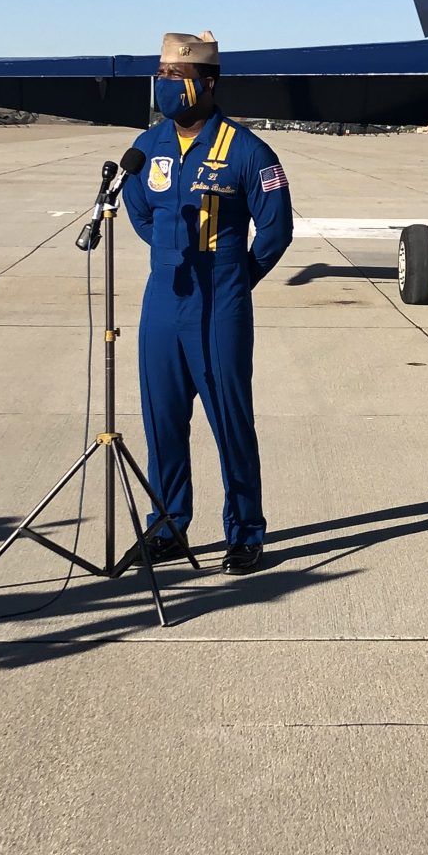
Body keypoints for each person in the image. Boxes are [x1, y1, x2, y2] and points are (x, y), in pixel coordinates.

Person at [122, 31, 293, 575]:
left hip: (221, 300)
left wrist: (238, 277)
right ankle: (168, 524)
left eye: (179, 77)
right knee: (162, 418)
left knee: (230, 419)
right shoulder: (147, 146)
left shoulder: (247, 150)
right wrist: (167, 249)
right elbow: (138, 208)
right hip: (163, 296)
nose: (167, 84)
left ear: (208, 83)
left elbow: (275, 228)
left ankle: (245, 531)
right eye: (163, 74)